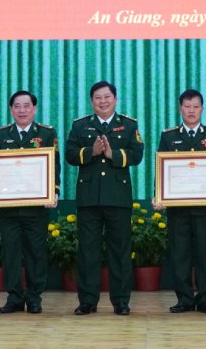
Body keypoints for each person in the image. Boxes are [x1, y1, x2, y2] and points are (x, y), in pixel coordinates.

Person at [64, 81, 143, 316]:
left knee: (120, 250)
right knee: (88, 251)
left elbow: (138, 155)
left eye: (107, 97)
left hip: (118, 197)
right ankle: (87, 301)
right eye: (98, 98)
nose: (103, 101)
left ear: (115, 99)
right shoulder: (80, 126)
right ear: (92, 101)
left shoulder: (128, 125)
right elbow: (69, 154)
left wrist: (112, 154)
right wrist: (92, 152)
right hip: (88, 198)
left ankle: (121, 301)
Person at [0, 90, 60, 315]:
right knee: (11, 253)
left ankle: (34, 297)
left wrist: (53, 191)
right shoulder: (0, 135)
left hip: (37, 207)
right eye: (17, 106)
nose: (22, 110)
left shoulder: (46, 133)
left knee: (36, 253)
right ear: (11, 110)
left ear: (34, 109)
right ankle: (14, 297)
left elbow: (54, 166)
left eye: (27, 106)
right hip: (8, 208)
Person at [156, 89, 206, 314]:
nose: (191, 110)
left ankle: (205, 299)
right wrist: (158, 194)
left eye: (195, 106)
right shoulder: (168, 136)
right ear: (180, 108)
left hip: (205, 208)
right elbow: (161, 169)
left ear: (202, 109)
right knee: (180, 255)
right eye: (187, 106)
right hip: (178, 208)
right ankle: (185, 299)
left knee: (205, 254)